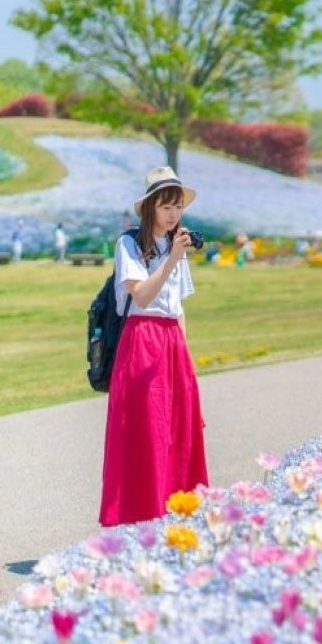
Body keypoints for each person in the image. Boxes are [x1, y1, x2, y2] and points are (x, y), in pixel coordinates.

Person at [100, 165, 208, 527]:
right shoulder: (129, 244)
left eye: (178, 207)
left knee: (178, 429)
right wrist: (172, 259)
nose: (174, 214)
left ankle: (176, 516)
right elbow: (143, 297)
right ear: (150, 208)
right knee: (145, 430)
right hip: (142, 339)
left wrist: (188, 364)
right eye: (166, 206)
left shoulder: (175, 245)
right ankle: (140, 516)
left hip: (172, 341)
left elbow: (178, 309)